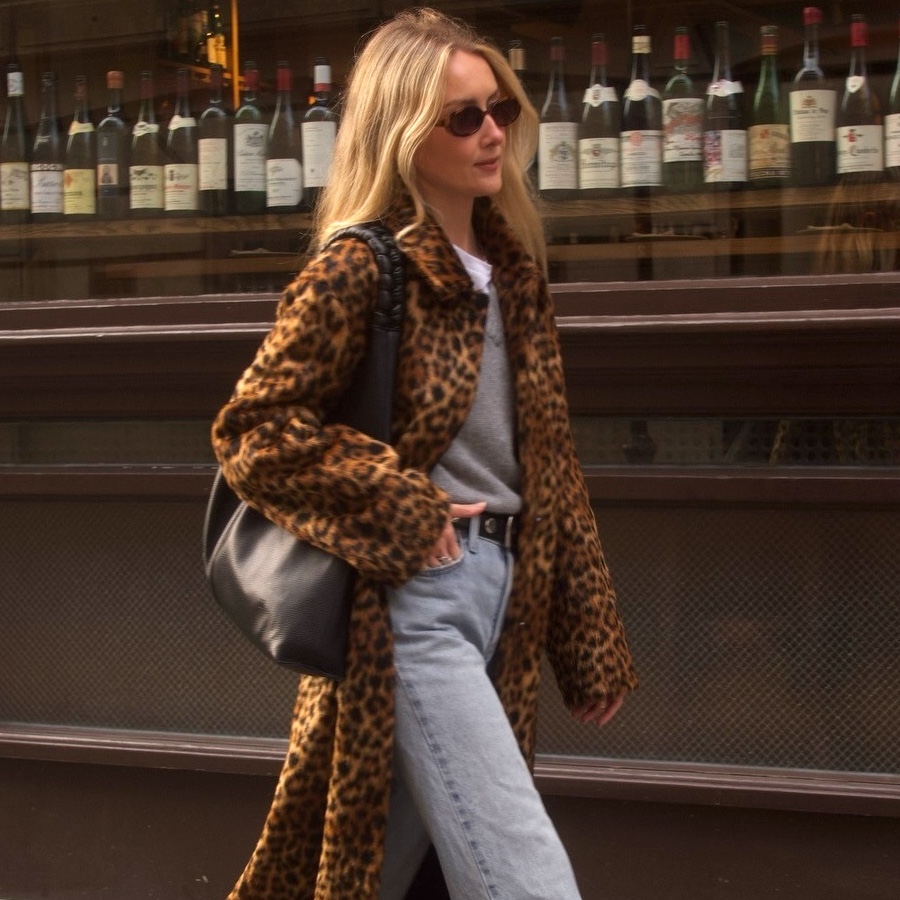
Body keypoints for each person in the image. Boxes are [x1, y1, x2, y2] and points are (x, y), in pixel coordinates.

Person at [211, 8, 638, 899]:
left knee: (393, 873)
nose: (493, 133)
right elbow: (253, 429)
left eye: (500, 109)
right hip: (416, 599)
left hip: (507, 600)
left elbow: (552, 470)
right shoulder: (361, 268)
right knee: (523, 873)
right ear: (404, 133)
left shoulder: (514, 273)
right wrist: (398, 504)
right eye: (463, 117)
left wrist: (586, 632)